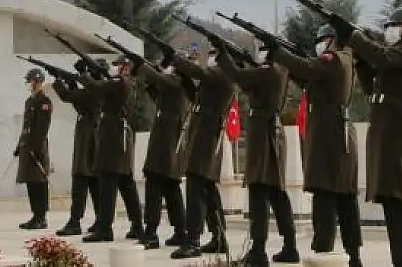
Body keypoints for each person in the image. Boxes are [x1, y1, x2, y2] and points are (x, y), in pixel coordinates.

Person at [339, 7, 402, 267]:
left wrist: (355, 37)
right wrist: (360, 59)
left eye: (396, 26)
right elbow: (373, 87)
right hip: (387, 135)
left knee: (400, 204)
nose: (390, 31)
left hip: (399, 136)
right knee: (398, 205)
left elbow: (382, 57)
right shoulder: (395, 59)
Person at [271, 23, 363, 267]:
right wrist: (291, 66)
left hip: (330, 137)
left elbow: (307, 68)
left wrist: (278, 53)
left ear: (331, 40)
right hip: (337, 134)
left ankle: (324, 249)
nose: (320, 45)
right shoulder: (343, 60)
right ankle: (353, 255)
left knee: (325, 196)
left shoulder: (333, 59)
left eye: (323, 40)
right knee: (344, 198)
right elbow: (309, 78)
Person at [212, 39, 299, 266]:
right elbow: (248, 83)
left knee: (259, 191)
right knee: (276, 194)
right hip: (270, 132)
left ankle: (259, 251)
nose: (258, 54)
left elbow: (240, 78)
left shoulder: (268, 72)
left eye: (262, 50)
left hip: (263, 134)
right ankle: (290, 246)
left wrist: (223, 54)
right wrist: (240, 62)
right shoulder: (277, 71)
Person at [169, 46, 237, 260]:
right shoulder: (216, 76)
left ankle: (192, 240)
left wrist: (176, 58)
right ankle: (219, 237)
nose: (211, 57)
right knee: (207, 188)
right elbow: (196, 95)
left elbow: (199, 73)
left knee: (196, 186)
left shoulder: (224, 73)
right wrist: (183, 76)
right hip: (202, 132)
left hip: (207, 134)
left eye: (215, 53)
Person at [128, 52, 192, 249]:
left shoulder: (177, 82)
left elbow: (158, 79)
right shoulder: (174, 86)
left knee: (155, 186)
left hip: (166, 143)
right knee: (171, 188)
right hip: (166, 142)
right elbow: (157, 91)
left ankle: (151, 232)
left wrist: (143, 65)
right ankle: (180, 231)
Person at [79, 58, 145, 243]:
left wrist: (84, 76)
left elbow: (98, 89)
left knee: (108, 182)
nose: (115, 68)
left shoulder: (120, 82)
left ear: (125, 67)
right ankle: (137, 225)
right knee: (125, 183)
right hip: (117, 135)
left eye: (118, 65)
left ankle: (104, 228)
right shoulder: (123, 83)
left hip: (113, 136)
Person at [50, 62, 101, 237]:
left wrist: (57, 79)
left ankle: (75, 221)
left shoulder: (93, 91)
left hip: (88, 139)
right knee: (94, 183)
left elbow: (66, 96)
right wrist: (71, 82)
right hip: (91, 136)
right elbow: (79, 104)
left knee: (80, 181)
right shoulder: (98, 91)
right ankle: (100, 220)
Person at [15, 68, 53, 230]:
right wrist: (20, 145)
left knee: (39, 182)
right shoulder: (29, 101)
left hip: (37, 147)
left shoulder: (44, 102)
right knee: (31, 181)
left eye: (30, 81)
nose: (28, 84)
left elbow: (42, 128)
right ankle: (35, 215)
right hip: (27, 146)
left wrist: (34, 148)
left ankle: (41, 217)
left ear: (38, 82)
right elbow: (26, 126)